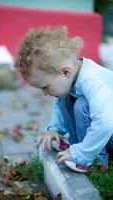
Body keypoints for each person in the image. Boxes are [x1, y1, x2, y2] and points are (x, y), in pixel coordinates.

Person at [16, 26, 113, 172]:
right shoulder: (71, 79)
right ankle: (78, 146)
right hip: (105, 135)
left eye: (45, 87)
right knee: (65, 97)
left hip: (108, 131)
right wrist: (54, 129)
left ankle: (95, 159)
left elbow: (105, 123)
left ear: (65, 72)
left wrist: (81, 153)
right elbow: (59, 104)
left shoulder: (92, 79)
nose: (45, 93)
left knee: (81, 105)